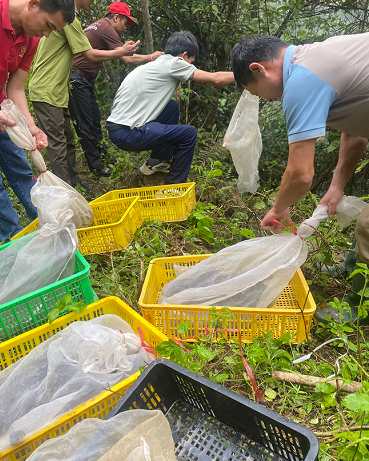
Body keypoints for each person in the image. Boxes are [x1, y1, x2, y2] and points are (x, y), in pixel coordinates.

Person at [230, 33, 369, 322]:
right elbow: (355, 132)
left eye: (260, 93)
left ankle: (360, 306)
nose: (269, 99)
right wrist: (336, 187)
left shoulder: (302, 81)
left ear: (259, 69)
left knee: (368, 225)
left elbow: (301, 174)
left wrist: (279, 208)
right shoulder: (318, 56)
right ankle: (357, 268)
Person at [0, 0, 74, 240]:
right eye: (49, 25)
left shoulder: (32, 39)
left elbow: (15, 87)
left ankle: (45, 228)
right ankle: (13, 237)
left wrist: (30, 124)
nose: (47, 34)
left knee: (22, 170)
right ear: (33, 5)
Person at [29, 0, 139, 190]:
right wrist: (121, 51)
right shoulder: (66, 17)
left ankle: (74, 181)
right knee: (58, 145)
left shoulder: (71, 17)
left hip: (58, 90)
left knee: (68, 140)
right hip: (47, 89)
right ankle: (64, 193)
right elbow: (88, 54)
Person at [106, 31, 235, 184]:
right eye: (191, 62)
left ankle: (157, 160)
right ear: (184, 55)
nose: (190, 66)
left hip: (117, 130)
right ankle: (175, 186)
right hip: (128, 133)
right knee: (189, 134)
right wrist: (243, 74)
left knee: (171, 107)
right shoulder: (175, 63)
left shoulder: (157, 63)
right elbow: (216, 79)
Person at [70, 1, 163, 177]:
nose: (125, 27)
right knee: (86, 125)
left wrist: (126, 49)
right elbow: (127, 59)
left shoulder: (99, 26)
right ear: (115, 17)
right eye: (124, 23)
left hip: (82, 79)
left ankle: (103, 158)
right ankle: (97, 167)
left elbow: (124, 52)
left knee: (94, 122)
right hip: (78, 79)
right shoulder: (107, 28)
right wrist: (151, 57)